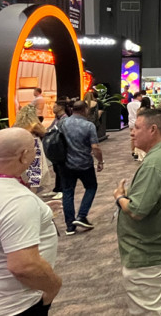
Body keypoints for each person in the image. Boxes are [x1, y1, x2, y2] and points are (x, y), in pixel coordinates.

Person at [114, 109, 161, 315]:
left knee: (149, 308)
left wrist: (119, 197)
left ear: (153, 129)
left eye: (137, 128)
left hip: (147, 250)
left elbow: (136, 210)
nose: (132, 132)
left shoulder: (155, 163)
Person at [0, 128, 62, 315]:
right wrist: (53, 286)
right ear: (24, 155)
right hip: (18, 305)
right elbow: (24, 266)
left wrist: (38, 212)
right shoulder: (17, 200)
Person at [60, 101, 103, 236]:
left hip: (66, 164)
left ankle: (70, 226)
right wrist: (100, 161)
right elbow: (95, 147)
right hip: (85, 163)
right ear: (84, 109)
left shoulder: (63, 123)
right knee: (91, 187)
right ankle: (81, 216)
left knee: (68, 192)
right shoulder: (88, 125)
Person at [13, 105, 47, 192]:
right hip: (34, 145)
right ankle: (33, 191)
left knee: (25, 169)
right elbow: (44, 132)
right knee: (35, 170)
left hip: (21, 147)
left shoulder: (16, 124)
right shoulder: (34, 124)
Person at [127, 92, 143, 161]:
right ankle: (138, 152)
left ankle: (133, 151)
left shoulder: (129, 104)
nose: (141, 98)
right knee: (139, 137)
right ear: (138, 96)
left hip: (131, 122)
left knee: (132, 137)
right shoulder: (140, 104)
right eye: (141, 96)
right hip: (138, 122)